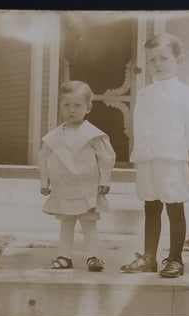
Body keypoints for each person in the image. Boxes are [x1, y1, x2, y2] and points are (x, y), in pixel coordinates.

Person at [120, 33, 189, 278]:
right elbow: (140, 128)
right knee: (151, 206)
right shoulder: (145, 94)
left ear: (179, 59)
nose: (157, 65)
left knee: (174, 207)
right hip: (148, 157)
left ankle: (176, 259)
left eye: (163, 58)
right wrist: (140, 156)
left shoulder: (188, 94)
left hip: (173, 158)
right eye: (151, 60)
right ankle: (149, 257)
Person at [39, 80, 116, 272]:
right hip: (63, 186)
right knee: (67, 222)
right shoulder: (53, 136)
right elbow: (44, 158)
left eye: (77, 105)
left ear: (88, 108)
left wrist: (105, 180)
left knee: (89, 223)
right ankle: (64, 257)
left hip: (86, 186)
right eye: (66, 105)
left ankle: (93, 257)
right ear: (60, 107)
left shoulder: (93, 135)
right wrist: (44, 181)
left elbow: (106, 157)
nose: (71, 110)